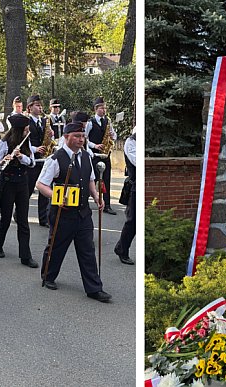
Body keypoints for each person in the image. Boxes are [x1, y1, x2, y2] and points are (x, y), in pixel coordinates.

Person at [37, 122, 110, 302]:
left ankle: (94, 288)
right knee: (56, 247)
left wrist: (96, 196)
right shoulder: (55, 158)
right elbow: (41, 184)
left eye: (83, 136)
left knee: (87, 250)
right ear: (66, 137)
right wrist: (55, 196)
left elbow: (90, 180)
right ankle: (48, 275)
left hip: (83, 212)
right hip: (62, 213)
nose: (81, 139)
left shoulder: (86, 156)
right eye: (77, 136)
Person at [0, 115, 39, 268]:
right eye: (25, 130)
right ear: (18, 130)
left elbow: (32, 163)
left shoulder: (27, 142)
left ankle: (25, 256)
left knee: (23, 220)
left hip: (22, 182)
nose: (28, 132)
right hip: (8, 183)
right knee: (5, 218)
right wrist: (4, 160)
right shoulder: (4, 143)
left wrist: (21, 156)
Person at [85, 97, 117, 215]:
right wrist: (95, 145)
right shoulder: (90, 122)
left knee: (106, 180)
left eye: (105, 108)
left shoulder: (108, 121)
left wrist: (112, 135)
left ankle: (107, 205)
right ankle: (85, 203)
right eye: (102, 108)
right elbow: (85, 139)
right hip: (95, 155)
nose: (104, 110)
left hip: (105, 155)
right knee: (92, 180)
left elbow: (114, 137)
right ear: (96, 109)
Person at [26, 95, 54, 226]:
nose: (40, 108)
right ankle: (19, 213)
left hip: (44, 160)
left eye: (41, 105)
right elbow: (23, 142)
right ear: (30, 107)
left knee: (44, 189)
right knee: (28, 190)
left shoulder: (44, 121)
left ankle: (43, 218)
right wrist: (35, 149)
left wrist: (50, 135)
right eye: (37, 105)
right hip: (32, 160)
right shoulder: (26, 122)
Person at [114, 128, 136, 265]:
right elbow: (136, 161)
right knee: (132, 221)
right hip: (135, 185)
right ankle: (122, 249)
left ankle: (121, 248)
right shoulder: (131, 142)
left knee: (134, 221)